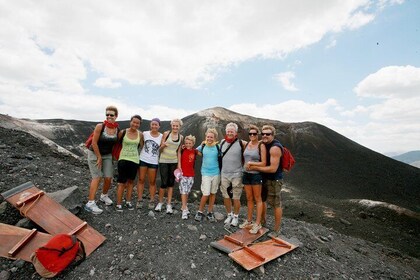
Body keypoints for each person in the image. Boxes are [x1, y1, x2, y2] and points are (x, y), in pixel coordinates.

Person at [247, 125, 283, 237]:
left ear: (273, 135)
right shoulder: (264, 144)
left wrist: (254, 167)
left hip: (274, 179)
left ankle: (277, 230)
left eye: (268, 134)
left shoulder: (274, 148)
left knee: (276, 204)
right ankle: (263, 222)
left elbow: (273, 169)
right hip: (264, 178)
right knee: (263, 201)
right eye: (263, 134)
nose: (265, 136)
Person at [84, 105, 119, 215]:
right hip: (95, 153)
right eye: (107, 114)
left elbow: (114, 144)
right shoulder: (100, 126)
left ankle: (104, 195)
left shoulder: (117, 129)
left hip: (107, 154)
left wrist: (113, 156)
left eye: (111, 115)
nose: (109, 116)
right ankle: (90, 203)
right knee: (97, 177)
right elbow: (94, 143)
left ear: (116, 116)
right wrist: (99, 157)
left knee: (108, 177)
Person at [239, 125, 266, 234]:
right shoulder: (247, 144)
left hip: (256, 174)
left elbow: (263, 162)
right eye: (250, 134)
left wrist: (252, 163)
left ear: (257, 134)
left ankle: (258, 223)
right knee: (249, 198)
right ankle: (249, 220)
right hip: (246, 174)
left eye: (254, 134)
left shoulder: (261, 145)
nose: (252, 135)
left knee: (258, 198)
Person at [220, 122, 247, 227]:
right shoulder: (222, 142)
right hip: (224, 174)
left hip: (237, 174)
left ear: (236, 133)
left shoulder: (241, 143)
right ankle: (229, 215)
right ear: (226, 132)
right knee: (226, 196)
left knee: (236, 197)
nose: (230, 133)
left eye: (232, 131)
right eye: (228, 131)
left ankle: (235, 217)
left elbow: (252, 147)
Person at [115, 115, 143, 212]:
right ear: (130, 122)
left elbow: (142, 147)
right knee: (122, 182)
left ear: (139, 124)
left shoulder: (140, 134)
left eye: (137, 123)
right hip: (123, 159)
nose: (135, 124)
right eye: (133, 122)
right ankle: (118, 203)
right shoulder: (123, 132)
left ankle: (128, 201)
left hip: (134, 160)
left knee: (131, 182)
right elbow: (117, 144)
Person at [155, 119, 184, 214]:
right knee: (163, 183)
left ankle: (168, 204)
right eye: (173, 125)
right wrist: (163, 145)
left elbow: (179, 152)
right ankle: (160, 203)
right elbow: (160, 149)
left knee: (171, 183)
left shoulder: (181, 137)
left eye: (177, 126)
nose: (175, 127)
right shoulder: (166, 134)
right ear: (171, 126)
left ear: (180, 127)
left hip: (173, 161)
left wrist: (179, 165)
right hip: (163, 161)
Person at [194, 128, 220, 222]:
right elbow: (195, 151)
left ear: (215, 138)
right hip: (205, 173)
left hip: (216, 173)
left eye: (211, 137)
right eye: (208, 137)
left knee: (213, 193)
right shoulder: (203, 145)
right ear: (206, 137)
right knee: (206, 193)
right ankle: (200, 211)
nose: (209, 138)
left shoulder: (217, 147)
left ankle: (210, 212)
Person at [136, 118, 163, 210]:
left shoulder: (161, 136)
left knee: (152, 181)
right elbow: (142, 144)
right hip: (143, 159)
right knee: (141, 179)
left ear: (159, 126)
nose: (154, 126)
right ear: (150, 125)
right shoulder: (145, 134)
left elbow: (162, 147)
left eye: (156, 124)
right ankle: (139, 199)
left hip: (153, 161)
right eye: (153, 124)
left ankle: (151, 200)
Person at [178, 135, 198, 219]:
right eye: (186, 143)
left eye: (190, 143)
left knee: (187, 191)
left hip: (191, 174)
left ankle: (184, 206)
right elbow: (178, 152)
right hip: (183, 174)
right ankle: (184, 210)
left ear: (193, 143)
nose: (188, 145)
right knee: (183, 191)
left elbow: (202, 153)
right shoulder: (182, 150)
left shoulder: (195, 151)